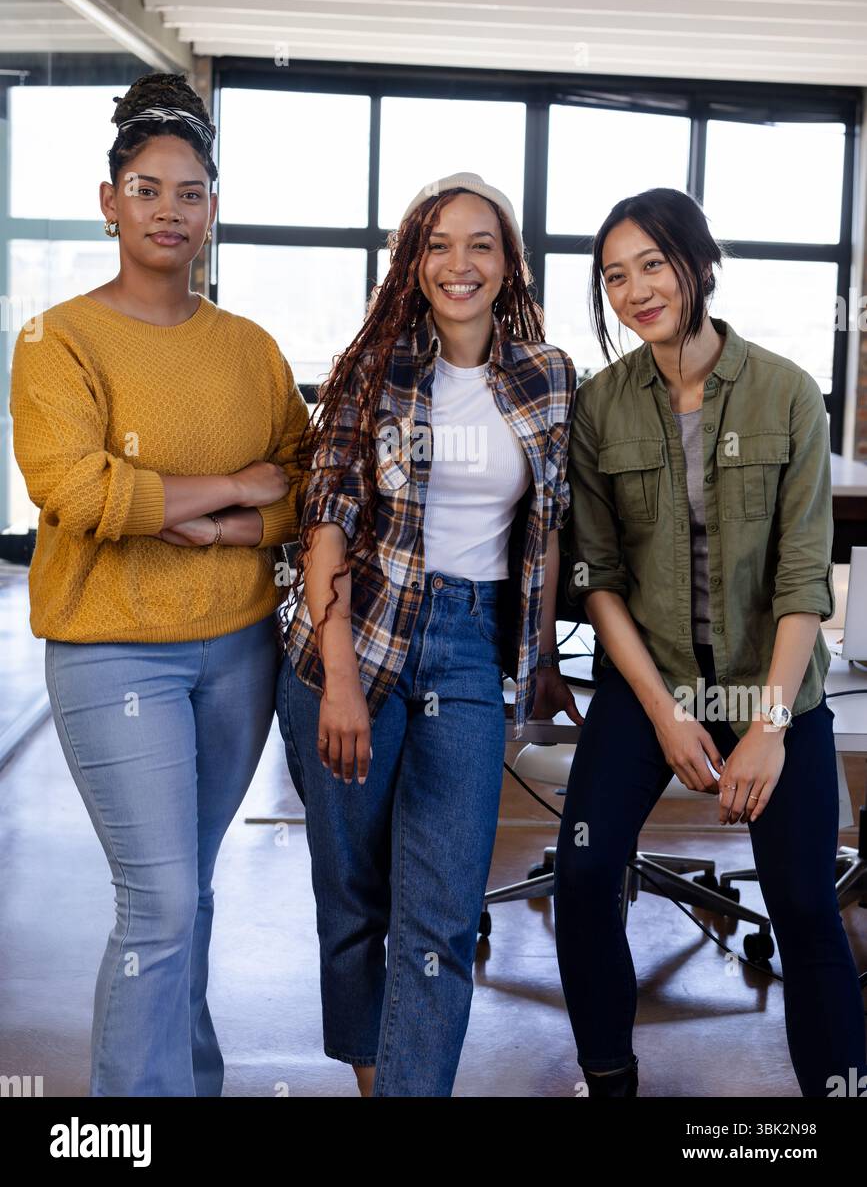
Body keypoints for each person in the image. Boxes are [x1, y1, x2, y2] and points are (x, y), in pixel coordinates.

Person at [9, 72, 311, 1097]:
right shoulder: (57, 342)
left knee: (192, 889)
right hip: (113, 649)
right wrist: (232, 488)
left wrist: (215, 517)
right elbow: (77, 487)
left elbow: (307, 484)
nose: (169, 211)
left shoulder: (251, 348)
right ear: (109, 202)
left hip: (240, 650)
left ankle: (193, 1082)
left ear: (213, 211)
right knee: (162, 901)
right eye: (147, 189)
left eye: (190, 193)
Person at [554, 185, 867, 1099]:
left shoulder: (785, 390)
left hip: (769, 689)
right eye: (613, 276)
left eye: (651, 264)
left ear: (697, 263)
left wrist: (765, 728)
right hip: (650, 685)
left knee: (807, 903)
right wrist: (663, 715)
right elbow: (598, 580)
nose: (634, 290)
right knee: (581, 875)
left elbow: (804, 579)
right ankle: (607, 1078)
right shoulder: (599, 406)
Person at [276, 171, 580, 1096]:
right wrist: (337, 680)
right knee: (356, 895)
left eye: (480, 244)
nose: (459, 264)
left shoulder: (547, 376)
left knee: (441, 907)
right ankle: (378, 1079)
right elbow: (323, 520)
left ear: (508, 264)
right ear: (412, 263)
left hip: (468, 644)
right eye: (438, 244)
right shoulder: (370, 371)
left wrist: (538, 659)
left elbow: (551, 521)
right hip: (353, 642)